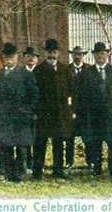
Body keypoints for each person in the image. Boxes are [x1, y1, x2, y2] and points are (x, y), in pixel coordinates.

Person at [0, 42, 39, 183]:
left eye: (12, 56)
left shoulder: (25, 75)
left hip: (21, 116)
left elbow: (34, 95)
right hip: (3, 117)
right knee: (5, 146)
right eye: (6, 56)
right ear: (3, 57)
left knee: (21, 146)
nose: (9, 59)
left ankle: (20, 171)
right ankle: (9, 174)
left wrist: (29, 111)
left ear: (17, 57)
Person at [78, 42, 112, 177]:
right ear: (93, 55)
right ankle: (97, 168)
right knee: (96, 142)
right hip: (95, 116)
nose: (100, 56)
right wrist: (84, 115)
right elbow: (82, 96)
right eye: (97, 54)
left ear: (107, 55)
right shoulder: (87, 73)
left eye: (103, 54)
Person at [33, 38, 74, 179]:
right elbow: (35, 93)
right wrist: (36, 111)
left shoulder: (65, 70)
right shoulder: (39, 70)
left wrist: (69, 110)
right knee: (40, 142)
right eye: (50, 52)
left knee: (58, 142)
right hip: (44, 113)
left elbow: (71, 91)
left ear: (58, 53)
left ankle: (58, 170)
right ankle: (37, 171)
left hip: (60, 113)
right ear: (46, 53)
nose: (52, 55)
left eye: (55, 52)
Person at [67, 46, 92, 170]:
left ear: (83, 56)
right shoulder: (67, 70)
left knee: (87, 135)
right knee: (69, 135)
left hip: (86, 108)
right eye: (75, 54)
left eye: (80, 55)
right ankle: (69, 161)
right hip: (72, 107)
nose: (77, 57)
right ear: (72, 56)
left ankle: (90, 161)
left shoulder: (89, 69)